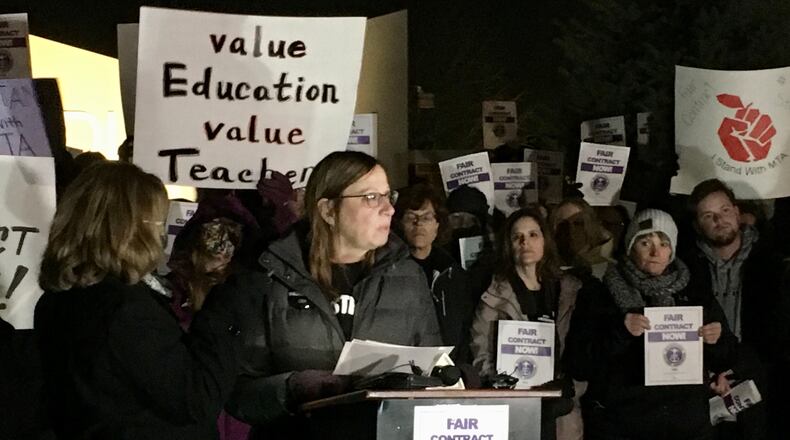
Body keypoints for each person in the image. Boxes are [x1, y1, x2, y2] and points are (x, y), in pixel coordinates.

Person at [221, 151, 442, 439]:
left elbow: (433, 376)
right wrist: (292, 388)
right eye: (372, 197)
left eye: (389, 196)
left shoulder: (408, 276)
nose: (388, 209)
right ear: (328, 210)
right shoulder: (271, 276)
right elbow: (238, 393)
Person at [35, 162, 253, 440]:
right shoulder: (124, 309)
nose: (162, 235)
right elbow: (195, 398)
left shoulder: (59, 299)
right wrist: (225, 302)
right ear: (131, 227)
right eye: (158, 221)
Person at [567, 209, 737, 440]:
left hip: (686, 424)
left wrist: (716, 342)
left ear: (672, 250)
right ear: (630, 246)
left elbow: (728, 355)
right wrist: (621, 331)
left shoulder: (695, 293)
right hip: (624, 423)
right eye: (645, 242)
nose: (656, 252)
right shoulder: (601, 294)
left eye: (664, 243)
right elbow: (579, 364)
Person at [682, 179, 789, 440]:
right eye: (709, 215)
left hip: (763, 381)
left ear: (738, 213)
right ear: (697, 225)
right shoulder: (683, 271)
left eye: (725, 210)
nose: (720, 220)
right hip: (705, 384)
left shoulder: (774, 264)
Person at [469, 208, 581, 440]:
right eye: (517, 236)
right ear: (508, 245)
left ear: (545, 240)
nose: (524, 242)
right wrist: (501, 388)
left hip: (560, 405)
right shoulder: (494, 294)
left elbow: (581, 348)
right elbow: (481, 349)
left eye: (532, 235)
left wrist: (572, 384)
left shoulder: (570, 290)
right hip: (514, 407)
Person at [395, 183, 475, 363]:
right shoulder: (389, 271)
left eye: (427, 217)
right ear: (400, 223)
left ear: (438, 224)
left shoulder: (453, 273)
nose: (419, 224)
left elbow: (464, 328)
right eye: (411, 217)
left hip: (446, 367)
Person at [549, 198, 614, 279]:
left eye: (578, 223)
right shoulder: (543, 268)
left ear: (591, 227)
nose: (570, 229)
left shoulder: (609, 271)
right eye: (563, 224)